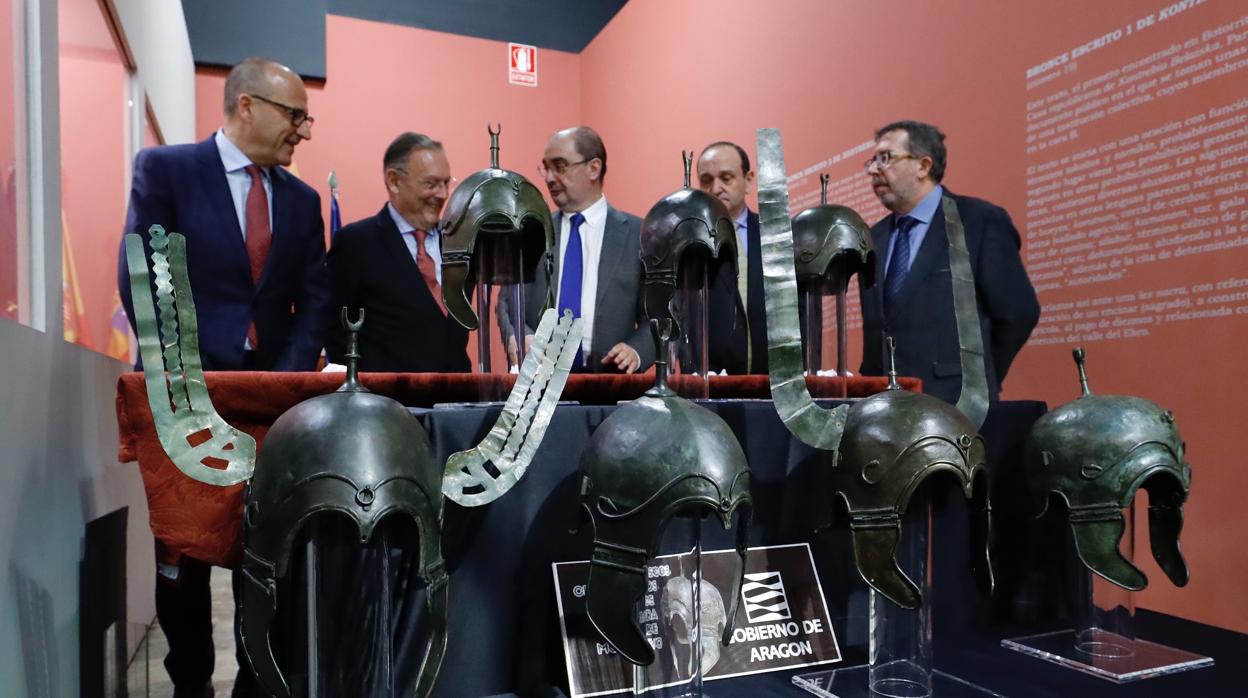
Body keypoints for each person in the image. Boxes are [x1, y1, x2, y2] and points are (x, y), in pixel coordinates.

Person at [116, 57, 329, 698]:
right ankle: (191, 683)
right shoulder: (169, 170)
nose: (304, 132)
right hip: (182, 395)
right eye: (295, 116)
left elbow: (314, 299)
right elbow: (145, 280)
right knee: (182, 551)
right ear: (246, 106)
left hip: (267, 405)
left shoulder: (302, 199)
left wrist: (283, 379)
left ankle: (256, 681)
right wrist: (185, 376)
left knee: (260, 547)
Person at [859, 120, 1040, 403]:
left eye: (885, 158)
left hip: (957, 405)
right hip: (884, 407)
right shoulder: (873, 238)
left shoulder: (978, 222)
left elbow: (1018, 313)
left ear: (923, 166)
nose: (873, 170)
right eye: (871, 161)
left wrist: (978, 374)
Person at [326, 132, 469, 372]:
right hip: (387, 403)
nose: (443, 195)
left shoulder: (461, 241)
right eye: (431, 184)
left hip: (456, 400)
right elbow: (336, 333)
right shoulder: (355, 243)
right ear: (394, 181)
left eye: (446, 183)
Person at [523, 126, 653, 373]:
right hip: (541, 380)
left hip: (610, 383)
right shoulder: (532, 232)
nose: (549, 178)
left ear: (594, 168)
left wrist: (635, 351)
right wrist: (523, 337)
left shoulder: (639, 235)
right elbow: (509, 308)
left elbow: (659, 317)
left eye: (560, 166)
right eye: (545, 168)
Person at [696, 141, 767, 374]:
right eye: (706, 181)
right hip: (710, 384)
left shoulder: (775, 235)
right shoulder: (690, 244)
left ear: (748, 180)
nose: (715, 188)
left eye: (726, 178)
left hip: (772, 384)